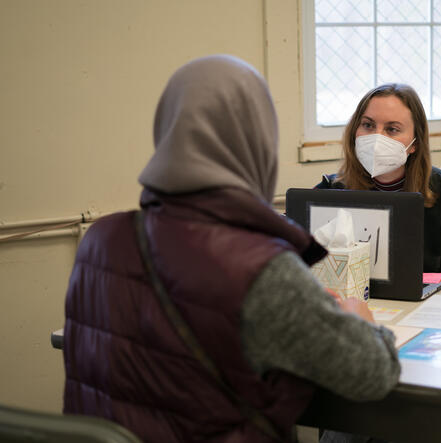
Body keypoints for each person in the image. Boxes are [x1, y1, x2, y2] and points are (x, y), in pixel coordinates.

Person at [63, 55, 400, 442]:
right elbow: (372, 374)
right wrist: (359, 317)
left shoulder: (100, 242)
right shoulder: (262, 269)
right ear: (257, 142)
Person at [316, 83, 441, 282]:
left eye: (392, 129)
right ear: (355, 130)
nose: (377, 138)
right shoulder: (327, 192)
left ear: (415, 143)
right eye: (368, 125)